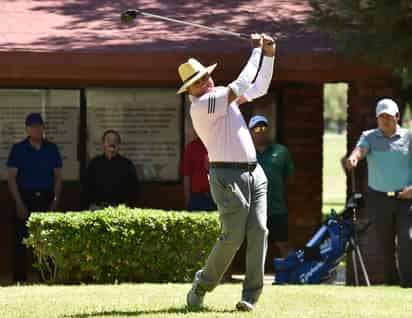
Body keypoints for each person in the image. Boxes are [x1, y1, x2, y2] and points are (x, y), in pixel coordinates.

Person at [177, 33, 275, 311]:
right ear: (190, 91)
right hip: (226, 177)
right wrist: (255, 50)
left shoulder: (219, 96)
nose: (204, 83)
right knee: (232, 236)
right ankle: (202, 285)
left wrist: (269, 55)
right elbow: (242, 83)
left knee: (259, 231)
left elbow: (259, 87)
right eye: (197, 82)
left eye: (204, 77)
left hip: (255, 173)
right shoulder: (203, 105)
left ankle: (250, 297)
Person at [346, 98, 412, 288]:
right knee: (385, 243)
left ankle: (408, 284)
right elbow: (360, 150)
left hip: (406, 197)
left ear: (397, 117)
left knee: (407, 239)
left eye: (389, 117)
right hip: (379, 198)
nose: (385, 121)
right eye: (381, 117)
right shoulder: (369, 136)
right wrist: (353, 158)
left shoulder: (409, 138)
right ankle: (392, 281)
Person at [7, 113, 63, 284]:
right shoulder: (18, 149)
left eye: (39, 126)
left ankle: (47, 278)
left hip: (46, 197)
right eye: (32, 127)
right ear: (27, 129)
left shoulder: (51, 148)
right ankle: (20, 280)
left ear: (43, 128)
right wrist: (18, 202)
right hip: (25, 197)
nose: (36, 130)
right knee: (21, 242)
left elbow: (58, 177)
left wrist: (55, 200)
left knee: (47, 240)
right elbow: (11, 177)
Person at [248, 115, 294, 259]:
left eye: (263, 127)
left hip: (276, 208)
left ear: (268, 130)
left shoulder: (281, 151)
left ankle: (291, 275)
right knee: (246, 244)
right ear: (250, 131)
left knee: (284, 244)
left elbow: (290, 178)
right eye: (256, 128)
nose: (260, 131)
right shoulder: (244, 152)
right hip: (251, 209)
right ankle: (227, 276)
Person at [83, 129, 139, 210]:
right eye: (108, 140)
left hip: (121, 209)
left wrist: (129, 208)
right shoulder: (94, 164)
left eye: (115, 141)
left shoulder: (127, 164)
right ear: (102, 144)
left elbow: (134, 189)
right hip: (98, 208)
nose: (112, 143)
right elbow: (86, 188)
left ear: (119, 145)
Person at [182, 134, 217, 211]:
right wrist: (188, 200)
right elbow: (186, 176)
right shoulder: (192, 147)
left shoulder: (219, 145)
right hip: (197, 197)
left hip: (217, 195)